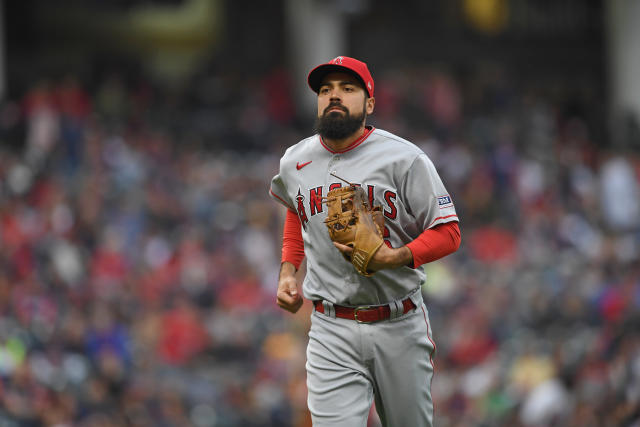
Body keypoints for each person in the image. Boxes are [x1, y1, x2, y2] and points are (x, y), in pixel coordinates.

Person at [269, 56, 461, 427]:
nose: (334, 96)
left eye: (347, 88)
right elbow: (296, 210)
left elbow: (449, 232)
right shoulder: (295, 161)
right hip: (330, 326)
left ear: (369, 104)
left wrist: (395, 257)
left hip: (398, 321)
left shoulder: (404, 158)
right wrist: (288, 271)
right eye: (326, 90)